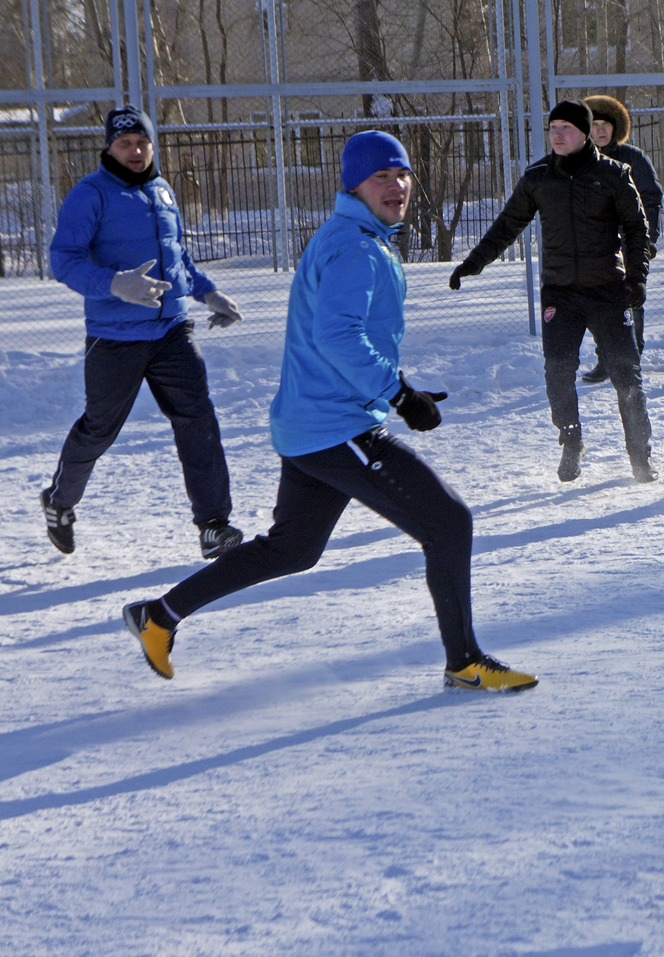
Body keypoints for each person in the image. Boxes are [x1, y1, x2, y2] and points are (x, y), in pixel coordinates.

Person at [121, 131, 538, 692]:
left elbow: (344, 337)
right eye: (381, 177)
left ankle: (160, 616)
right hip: (333, 427)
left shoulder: (357, 236)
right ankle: (464, 661)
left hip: (313, 421)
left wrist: (400, 386)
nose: (396, 186)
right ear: (354, 185)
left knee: (293, 549)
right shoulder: (355, 247)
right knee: (448, 522)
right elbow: (338, 337)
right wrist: (398, 395)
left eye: (402, 175)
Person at [42, 105, 245, 560]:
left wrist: (208, 293)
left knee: (197, 419)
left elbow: (178, 257)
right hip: (114, 336)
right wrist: (115, 284)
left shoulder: (162, 190)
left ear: (152, 145)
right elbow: (64, 260)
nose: (134, 151)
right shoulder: (90, 194)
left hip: (172, 330)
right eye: (124, 144)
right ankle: (59, 502)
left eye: (141, 142)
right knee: (99, 430)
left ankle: (213, 524)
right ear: (109, 148)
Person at [450, 99, 655, 485]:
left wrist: (637, 276)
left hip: (608, 289)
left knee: (626, 375)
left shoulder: (614, 174)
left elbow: (636, 228)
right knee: (558, 372)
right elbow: (507, 224)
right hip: (561, 294)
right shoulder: (539, 178)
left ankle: (639, 454)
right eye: (552, 127)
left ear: (584, 133)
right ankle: (571, 439)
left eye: (566, 128)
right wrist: (473, 262)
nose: (557, 134)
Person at [578, 94, 662, 384]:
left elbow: (651, 198)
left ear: (616, 129)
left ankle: (630, 358)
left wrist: (647, 239)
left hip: (629, 241)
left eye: (606, 125)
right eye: (595, 124)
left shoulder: (634, 158)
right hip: (593, 246)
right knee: (599, 304)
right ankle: (606, 360)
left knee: (630, 300)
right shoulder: (577, 161)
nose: (600, 130)